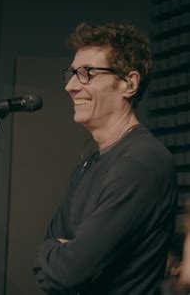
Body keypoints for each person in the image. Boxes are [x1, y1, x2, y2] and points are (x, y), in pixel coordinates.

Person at [33, 22, 178, 294]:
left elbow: (69, 271)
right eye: (72, 73)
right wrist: (57, 253)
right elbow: (43, 261)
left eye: (87, 73)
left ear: (129, 83)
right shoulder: (89, 165)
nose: (71, 86)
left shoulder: (141, 163)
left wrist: (63, 255)